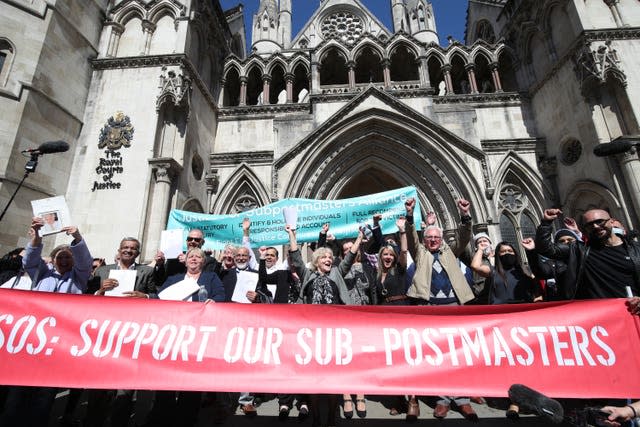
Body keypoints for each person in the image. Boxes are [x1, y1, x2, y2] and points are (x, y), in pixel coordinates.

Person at [0, 218, 92, 427]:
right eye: (61, 256)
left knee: (44, 399)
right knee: (16, 397)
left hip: (58, 346)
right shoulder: (41, 275)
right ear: (52, 260)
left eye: (69, 257)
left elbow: (85, 262)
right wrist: (37, 237)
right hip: (31, 343)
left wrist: (77, 238)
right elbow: (29, 261)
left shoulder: (78, 279)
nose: (65, 260)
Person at [404, 197, 478, 422]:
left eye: (436, 237)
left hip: (453, 307)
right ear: (425, 240)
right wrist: (410, 215)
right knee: (437, 355)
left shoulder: (450, 251)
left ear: (442, 239)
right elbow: (411, 237)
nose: (433, 240)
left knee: (457, 354)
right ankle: (443, 399)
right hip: (430, 308)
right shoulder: (421, 253)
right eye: (430, 238)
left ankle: (462, 399)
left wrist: (464, 215)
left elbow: (465, 236)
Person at [288, 224, 362, 427]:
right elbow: (295, 258)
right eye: (324, 258)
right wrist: (292, 234)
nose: (329, 260)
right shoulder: (308, 275)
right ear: (316, 261)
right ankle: (316, 415)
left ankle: (330, 414)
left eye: (330, 257)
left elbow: (348, 259)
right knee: (313, 377)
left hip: (334, 332)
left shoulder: (337, 273)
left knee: (332, 377)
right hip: (311, 334)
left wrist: (359, 238)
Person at [143, 248, 224, 427]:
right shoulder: (174, 279)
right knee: (167, 378)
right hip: (173, 333)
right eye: (191, 257)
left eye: (198, 257)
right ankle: (162, 416)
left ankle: (186, 418)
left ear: (203, 262)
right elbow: (160, 297)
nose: (194, 259)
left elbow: (220, 294)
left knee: (191, 380)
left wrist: (214, 301)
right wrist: (146, 296)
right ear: (185, 261)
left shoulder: (210, 278)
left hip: (197, 335)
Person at [85, 237, 159, 427]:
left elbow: (157, 298)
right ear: (119, 250)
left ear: (138, 252)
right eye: (125, 247)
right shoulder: (101, 271)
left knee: (124, 391)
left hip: (131, 336)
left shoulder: (147, 271)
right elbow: (87, 301)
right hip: (105, 334)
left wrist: (146, 297)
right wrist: (101, 291)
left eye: (133, 248)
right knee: (99, 389)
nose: (128, 251)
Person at [535, 208, 640, 299]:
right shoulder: (579, 250)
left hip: (633, 314)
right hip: (601, 317)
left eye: (600, 221)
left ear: (611, 221)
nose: (595, 226)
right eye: (589, 225)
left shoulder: (636, 250)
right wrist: (546, 223)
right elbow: (545, 248)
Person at [471, 240, 537, 305]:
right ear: (498, 255)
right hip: (500, 311)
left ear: (515, 253)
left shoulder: (525, 270)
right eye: (503, 251)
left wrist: (532, 250)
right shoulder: (493, 271)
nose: (507, 253)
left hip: (523, 310)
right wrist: (480, 250)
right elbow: (475, 266)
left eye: (510, 251)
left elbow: (537, 285)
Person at [154, 228, 221, 282]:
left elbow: (208, 280)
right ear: (186, 241)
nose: (192, 241)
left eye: (197, 240)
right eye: (190, 239)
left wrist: (188, 261)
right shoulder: (175, 258)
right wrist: (160, 265)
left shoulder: (209, 260)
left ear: (202, 242)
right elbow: (160, 281)